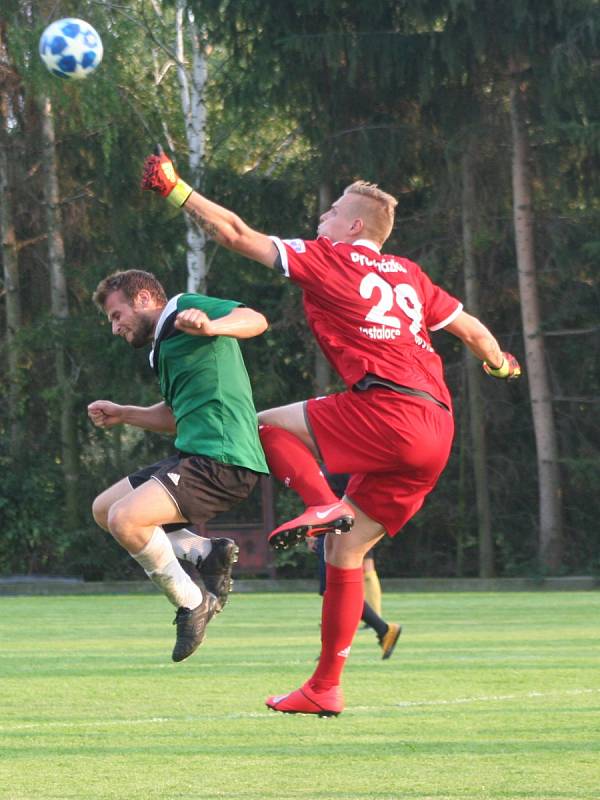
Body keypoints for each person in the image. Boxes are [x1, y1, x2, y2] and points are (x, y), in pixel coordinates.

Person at [141, 148, 521, 714]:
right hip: (436, 428)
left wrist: (177, 191)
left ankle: (320, 501)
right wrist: (500, 364)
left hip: (388, 411)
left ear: (355, 226)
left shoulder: (330, 257)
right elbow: (473, 331)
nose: (323, 217)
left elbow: (236, 234)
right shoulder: (411, 276)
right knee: (346, 551)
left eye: (333, 210)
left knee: (254, 426)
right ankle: (325, 687)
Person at [88, 269, 269, 662]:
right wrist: (124, 414)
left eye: (117, 316)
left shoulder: (182, 308)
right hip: (195, 456)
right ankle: (206, 553)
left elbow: (255, 319)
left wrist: (211, 324)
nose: (115, 328)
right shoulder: (162, 348)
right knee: (105, 510)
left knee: (126, 519)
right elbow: (175, 416)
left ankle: (192, 602)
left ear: (142, 299)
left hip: (224, 459)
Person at [308, 469, 401, 659]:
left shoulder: (341, 463)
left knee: (336, 590)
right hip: (336, 528)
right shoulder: (334, 460)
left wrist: (314, 527)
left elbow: (339, 498)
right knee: (334, 590)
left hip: (339, 529)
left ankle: (336, 647)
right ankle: (382, 630)